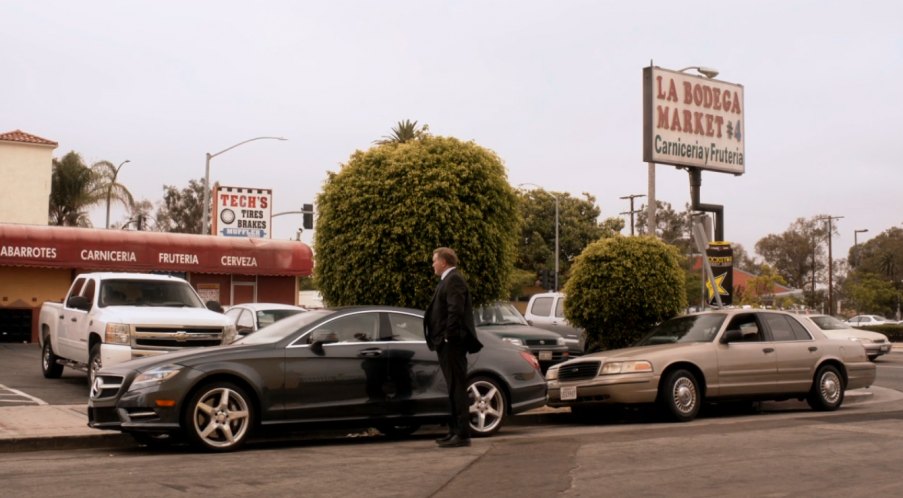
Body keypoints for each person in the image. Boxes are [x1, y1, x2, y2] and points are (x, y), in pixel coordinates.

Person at [424, 247, 482, 448]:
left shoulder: (454, 280)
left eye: (434, 260)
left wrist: (448, 337)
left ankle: (463, 434)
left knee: (457, 387)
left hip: (452, 344)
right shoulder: (446, 280)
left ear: (444, 262)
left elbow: (455, 310)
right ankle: (454, 430)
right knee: (452, 387)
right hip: (446, 344)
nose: (432, 264)